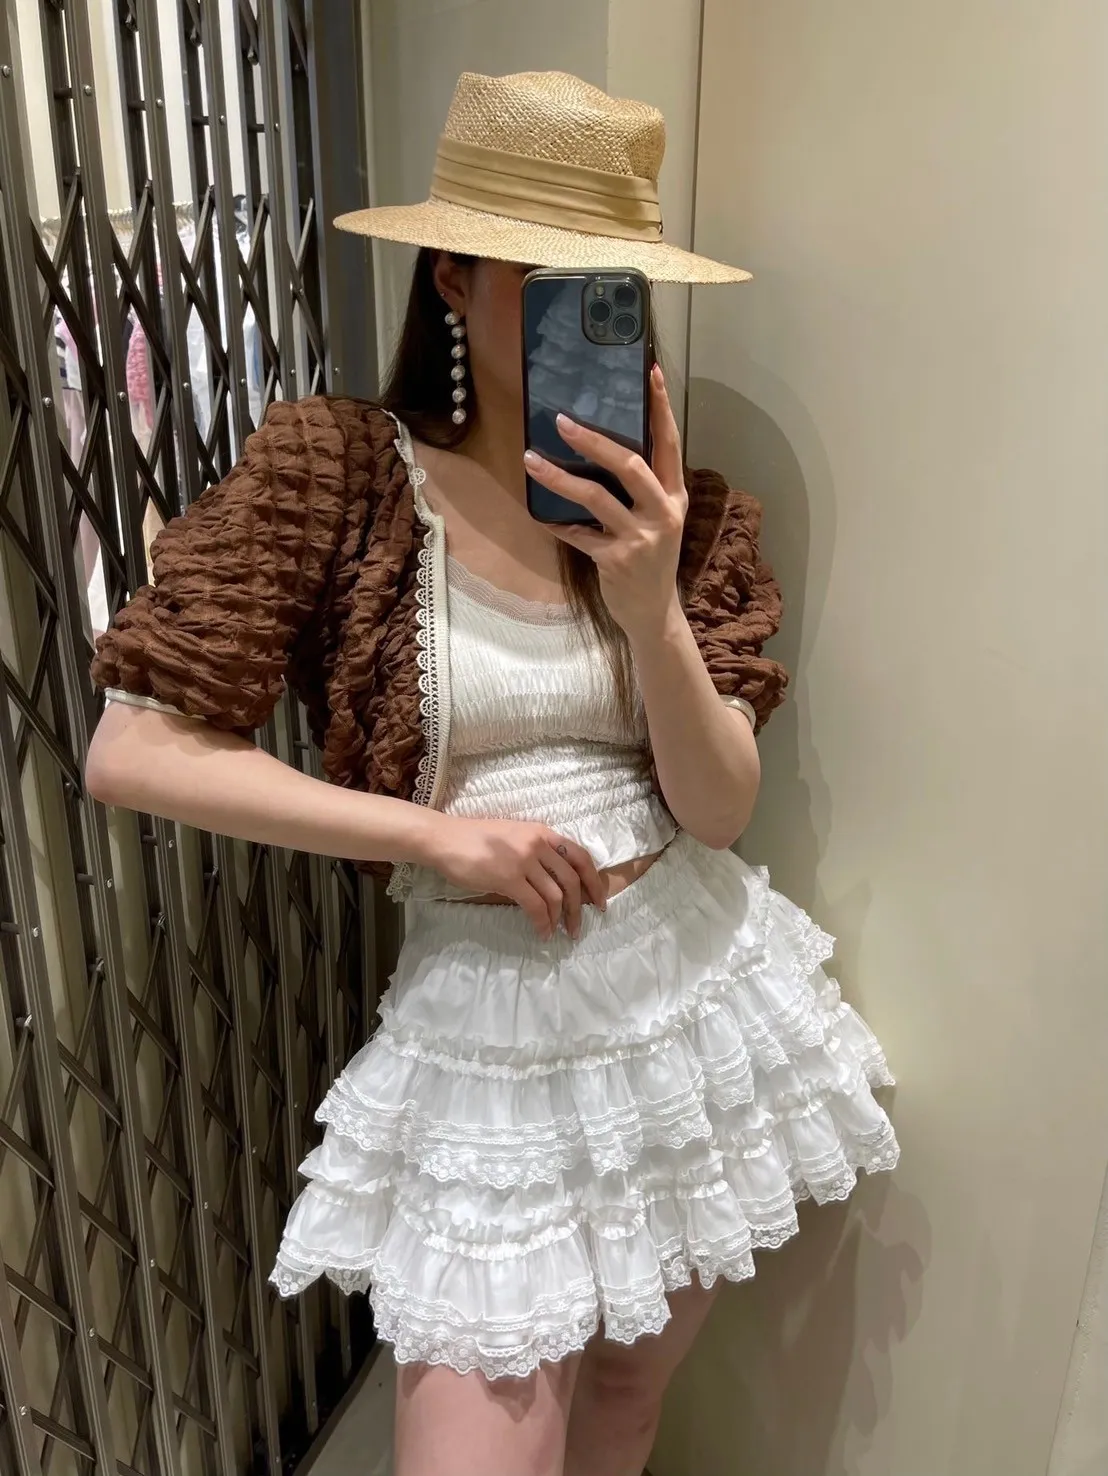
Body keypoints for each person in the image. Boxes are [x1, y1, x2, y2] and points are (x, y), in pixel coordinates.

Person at [86, 70, 898, 1476]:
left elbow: (717, 808)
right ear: (452, 277)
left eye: (613, 286)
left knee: (628, 1402)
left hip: (683, 996)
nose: (590, 308)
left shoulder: (679, 517)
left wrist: (648, 602)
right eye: (547, 277)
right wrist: (439, 840)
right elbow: (131, 750)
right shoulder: (342, 473)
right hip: (485, 1030)